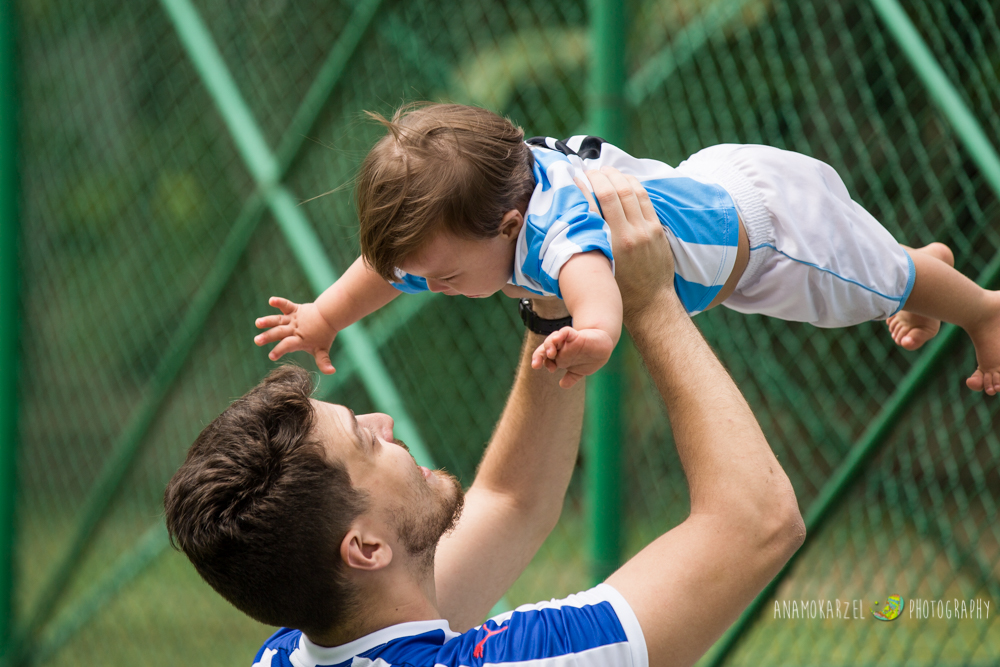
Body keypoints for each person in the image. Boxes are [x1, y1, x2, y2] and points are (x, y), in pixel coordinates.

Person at [165, 168, 806, 667]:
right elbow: (756, 522)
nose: (384, 422)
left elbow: (512, 501)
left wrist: (550, 301)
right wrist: (650, 297)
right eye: (364, 439)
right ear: (364, 547)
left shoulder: (295, 649)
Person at [253, 104, 1000, 394]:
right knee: (867, 270)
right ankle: (916, 268)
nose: (431, 285)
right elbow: (387, 272)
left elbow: (599, 293)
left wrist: (595, 336)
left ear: (511, 227)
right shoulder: (483, 202)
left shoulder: (556, 230)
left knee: (867, 287)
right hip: (715, 194)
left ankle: (981, 309)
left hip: (770, 234)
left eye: (445, 274)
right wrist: (325, 316)